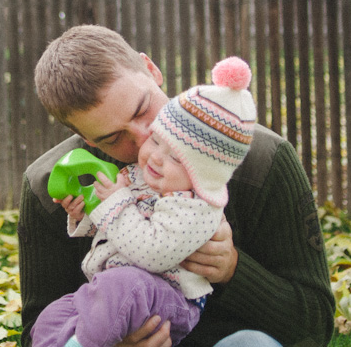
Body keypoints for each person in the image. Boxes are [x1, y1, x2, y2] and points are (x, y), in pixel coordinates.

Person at [19, 25, 335, 347]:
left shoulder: (262, 162)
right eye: (114, 138)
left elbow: (315, 326)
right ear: (86, 139)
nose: (145, 138)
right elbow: (36, 332)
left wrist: (231, 270)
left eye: (143, 108)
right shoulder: (51, 187)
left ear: (152, 69)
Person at [32, 58, 258, 347]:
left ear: (203, 173)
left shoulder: (196, 207)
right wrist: (86, 212)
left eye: (176, 156)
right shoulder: (144, 177)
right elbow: (115, 226)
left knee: (124, 285)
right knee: (54, 315)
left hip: (166, 296)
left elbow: (152, 253)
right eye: (157, 140)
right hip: (112, 292)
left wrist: (115, 203)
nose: (152, 154)